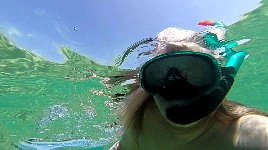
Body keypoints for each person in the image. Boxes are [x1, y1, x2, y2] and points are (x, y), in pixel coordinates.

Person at [109, 21, 268, 150]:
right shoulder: (143, 119)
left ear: (216, 79)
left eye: (193, 71)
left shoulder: (246, 132)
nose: (175, 87)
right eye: (158, 75)